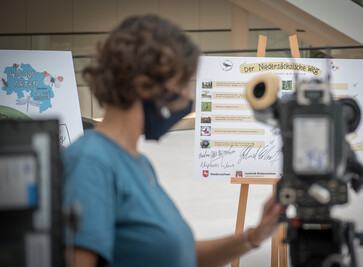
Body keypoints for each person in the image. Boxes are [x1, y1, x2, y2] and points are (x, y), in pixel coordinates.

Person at [63, 14, 283, 267]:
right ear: (144, 85)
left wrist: (254, 236)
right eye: (181, 84)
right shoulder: (91, 162)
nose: (186, 96)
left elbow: (181, 256)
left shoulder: (138, 162)